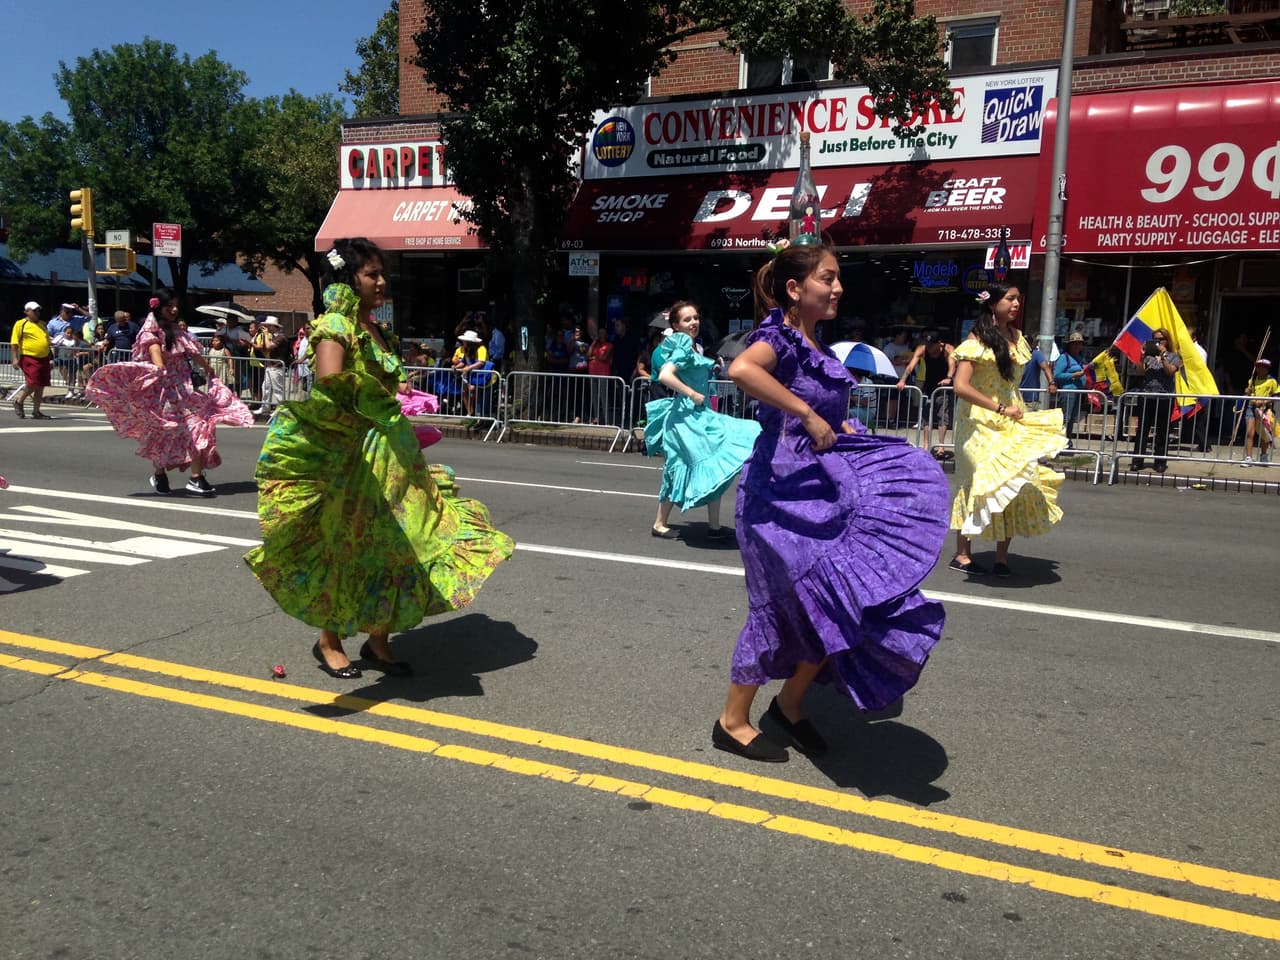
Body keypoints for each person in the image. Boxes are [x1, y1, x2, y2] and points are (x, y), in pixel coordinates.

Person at [713, 244, 949, 762]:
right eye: (828, 278)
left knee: (836, 602)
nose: (838, 287)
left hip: (818, 495)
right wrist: (807, 413)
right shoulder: (778, 338)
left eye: (838, 278)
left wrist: (839, 425)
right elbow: (743, 372)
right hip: (776, 497)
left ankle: (789, 708)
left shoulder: (816, 347)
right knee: (779, 605)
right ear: (796, 289)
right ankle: (731, 721)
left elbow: (822, 413)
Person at [244, 237, 514, 679]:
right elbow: (333, 387)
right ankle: (329, 640)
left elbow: (383, 384)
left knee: (399, 547)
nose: (382, 282)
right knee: (346, 546)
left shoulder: (376, 329)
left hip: (394, 455)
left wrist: (405, 392)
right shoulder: (336, 326)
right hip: (355, 459)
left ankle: (378, 640)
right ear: (349, 279)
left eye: (382, 273)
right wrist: (382, 396)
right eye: (372, 274)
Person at [950, 283, 1068, 576]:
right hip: (977, 421)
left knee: (1017, 481)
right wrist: (999, 408)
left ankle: (1001, 557)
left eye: (1018, 299)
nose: (1016, 304)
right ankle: (962, 554)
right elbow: (960, 386)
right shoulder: (977, 339)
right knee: (981, 478)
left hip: (1013, 416)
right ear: (993, 303)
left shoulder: (1018, 338)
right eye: (1010, 299)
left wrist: (1010, 409)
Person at [85, 289, 252, 495]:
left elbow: (192, 351)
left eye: (175, 306)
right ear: (158, 308)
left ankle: (196, 477)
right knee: (162, 433)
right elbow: (155, 350)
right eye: (168, 306)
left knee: (200, 426)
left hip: (185, 390)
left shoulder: (177, 331)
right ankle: (160, 475)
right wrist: (159, 366)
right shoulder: (151, 333)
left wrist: (207, 368)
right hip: (163, 393)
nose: (174, 310)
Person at [645, 300, 762, 540]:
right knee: (678, 468)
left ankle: (715, 527)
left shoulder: (693, 345)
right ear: (676, 325)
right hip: (686, 416)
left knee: (717, 465)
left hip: (700, 413)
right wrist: (691, 393)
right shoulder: (680, 343)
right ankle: (659, 523)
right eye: (687, 319)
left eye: (696, 318)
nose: (693, 322)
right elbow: (665, 375)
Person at [1130, 327, 1182, 473]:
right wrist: (1141, 357)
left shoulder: (1173, 356)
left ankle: (1160, 461)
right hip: (1147, 396)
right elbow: (1140, 372)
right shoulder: (1148, 356)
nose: (1158, 342)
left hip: (1164, 397)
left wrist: (1163, 355)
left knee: (1162, 430)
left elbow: (1170, 371)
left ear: (1166, 340)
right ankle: (1138, 460)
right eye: (1155, 339)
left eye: (1161, 339)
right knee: (1143, 430)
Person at [897, 331, 955, 456]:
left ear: (939, 343)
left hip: (943, 386)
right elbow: (911, 366)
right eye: (927, 345)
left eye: (931, 345)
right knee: (926, 416)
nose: (929, 348)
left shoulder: (948, 349)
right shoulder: (922, 349)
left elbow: (952, 364)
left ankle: (941, 446)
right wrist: (902, 380)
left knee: (942, 415)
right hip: (928, 385)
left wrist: (949, 378)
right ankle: (926, 444)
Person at [10, 301, 52, 419]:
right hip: (29, 357)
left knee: (41, 385)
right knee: (33, 383)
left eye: (38, 310)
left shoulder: (42, 324)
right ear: (26, 312)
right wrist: (14, 358)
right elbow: (14, 343)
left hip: (44, 358)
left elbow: (46, 341)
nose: (37, 313)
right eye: (34, 311)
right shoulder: (20, 324)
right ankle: (19, 401)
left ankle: (36, 411)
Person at [1053, 331, 1089, 444]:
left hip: (1078, 392)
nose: (1077, 346)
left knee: (1072, 418)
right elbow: (1057, 375)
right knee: (1066, 418)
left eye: (1079, 343)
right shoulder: (1064, 358)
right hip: (1068, 392)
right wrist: (1073, 376)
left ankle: (1068, 440)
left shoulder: (1079, 358)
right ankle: (1061, 441)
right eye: (1075, 343)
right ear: (1069, 345)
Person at [1241, 358, 1277, 467]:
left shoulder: (1272, 381)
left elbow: (1276, 396)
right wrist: (1247, 392)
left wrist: (1264, 401)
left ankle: (1264, 455)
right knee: (1250, 432)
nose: (1260, 369)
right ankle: (1249, 458)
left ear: (1267, 369)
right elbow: (1248, 392)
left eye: (1263, 367)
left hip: (1265, 409)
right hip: (1251, 407)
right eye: (1258, 366)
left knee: (1264, 433)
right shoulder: (1252, 380)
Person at [253, 317, 290, 416]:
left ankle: (281, 409)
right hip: (270, 366)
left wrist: (265, 335)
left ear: (274, 327)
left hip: (277, 367)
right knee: (265, 387)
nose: (266, 328)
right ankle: (265, 407)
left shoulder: (281, 337)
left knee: (278, 389)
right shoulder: (273, 336)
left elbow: (269, 346)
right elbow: (266, 350)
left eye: (268, 326)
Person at [451, 329, 489, 419]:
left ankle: (477, 414)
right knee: (465, 392)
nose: (463, 342)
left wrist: (468, 368)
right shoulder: (467, 350)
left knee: (473, 391)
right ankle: (469, 412)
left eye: (465, 340)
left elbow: (481, 362)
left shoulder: (481, 349)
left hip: (479, 375)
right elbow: (464, 362)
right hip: (469, 375)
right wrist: (456, 367)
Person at [586, 323, 614, 424]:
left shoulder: (609, 345)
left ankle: (606, 420)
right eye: (600, 333)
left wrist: (594, 357)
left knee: (603, 397)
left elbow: (604, 357)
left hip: (603, 373)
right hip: (593, 373)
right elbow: (588, 355)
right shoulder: (596, 345)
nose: (601, 335)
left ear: (606, 335)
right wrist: (593, 343)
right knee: (594, 397)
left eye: (603, 333)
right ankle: (597, 418)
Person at [1019, 337, 1057, 409]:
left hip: (1030, 400)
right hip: (1014, 399)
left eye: (1028, 343)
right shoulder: (1015, 354)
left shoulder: (1036, 354)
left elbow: (1046, 368)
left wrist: (1052, 383)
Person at [292, 322, 312, 397]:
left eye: (308, 328)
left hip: (309, 370)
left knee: (308, 391)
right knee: (304, 391)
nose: (306, 330)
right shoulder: (304, 339)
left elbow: (309, 351)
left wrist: (301, 360)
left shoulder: (312, 339)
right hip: (302, 371)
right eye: (305, 328)